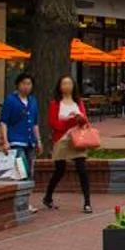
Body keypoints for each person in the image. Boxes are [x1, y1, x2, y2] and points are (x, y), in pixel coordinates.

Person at [42, 75, 95, 213]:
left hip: (77, 138)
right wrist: (70, 121)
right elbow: (54, 123)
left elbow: (85, 121)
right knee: (60, 170)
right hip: (61, 140)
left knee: (82, 169)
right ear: (59, 87)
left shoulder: (78, 102)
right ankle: (48, 197)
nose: (66, 86)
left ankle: (87, 202)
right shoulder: (55, 103)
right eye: (64, 84)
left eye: (69, 84)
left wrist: (79, 119)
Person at [0, 73, 41, 202]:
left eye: (29, 84)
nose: (26, 87)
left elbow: (35, 123)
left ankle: (25, 200)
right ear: (18, 85)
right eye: (23, 83)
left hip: (29, 142)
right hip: (16, 141)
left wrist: (38, 140)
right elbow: (4, 121)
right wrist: (5, 141)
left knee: (29, 172)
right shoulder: (11, 100)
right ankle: (22, 202)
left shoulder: (33, 101)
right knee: (22, 171)